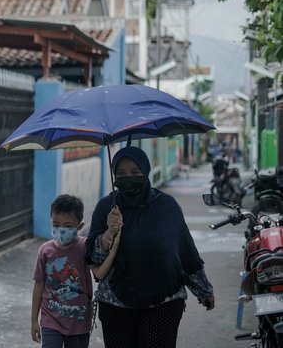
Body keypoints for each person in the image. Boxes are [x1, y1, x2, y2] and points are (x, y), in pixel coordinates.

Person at [85, 146, 215, 348]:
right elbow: (93, 256)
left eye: (135, 173)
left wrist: (203, 290)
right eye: (121, 174)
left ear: (146, 172)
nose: (128, 178)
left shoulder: (166, 206)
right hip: (115, 301)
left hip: (164, 301)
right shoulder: (106, 207)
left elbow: (185, 251)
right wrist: (109, 232)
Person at [31, 194, 120, 348]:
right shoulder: (45, 251)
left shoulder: (85, 247)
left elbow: (98, 273)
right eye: (56, 224)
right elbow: (39, 285)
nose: (61, 230)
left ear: (79, 226)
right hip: (51, 320)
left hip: (79, 322)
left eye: (67, 226)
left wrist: (112, 254)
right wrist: (34, 320)